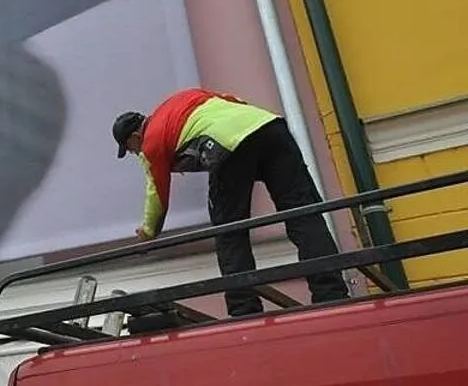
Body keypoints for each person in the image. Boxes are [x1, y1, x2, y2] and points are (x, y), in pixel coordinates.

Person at [112, 88, 349, 316]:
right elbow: (232, 100)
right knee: (303, 214)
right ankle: (331, 293)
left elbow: (157, 192)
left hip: (227, 143)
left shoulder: (151, 141)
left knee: (230, 231)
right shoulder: (179, 101)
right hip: (269, 126)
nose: (134, 153)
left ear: (135, 137)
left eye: (130, 149)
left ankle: (244, 309)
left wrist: (148, 231)